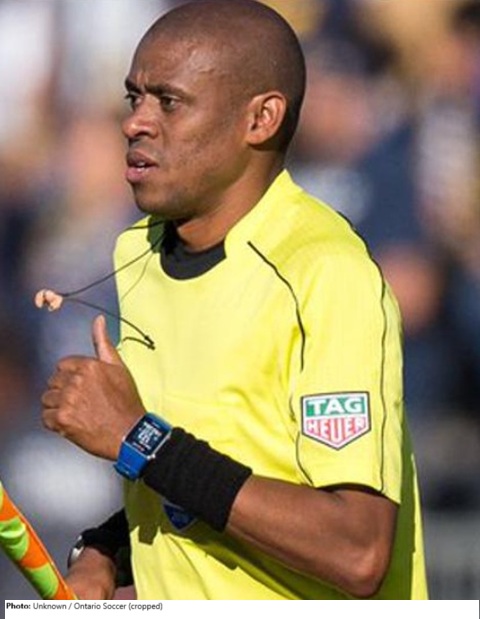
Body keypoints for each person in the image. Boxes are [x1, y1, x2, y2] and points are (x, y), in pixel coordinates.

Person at [40, 0, 428, 600]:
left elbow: (356, 548)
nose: (135, 123)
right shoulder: (137, 250)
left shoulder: (326, 273)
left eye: (169, 102)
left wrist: (137, 437)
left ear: (261, 119)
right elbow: (208, 478)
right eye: (134, 98)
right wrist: (104, 552)